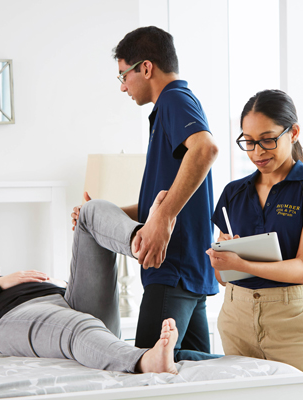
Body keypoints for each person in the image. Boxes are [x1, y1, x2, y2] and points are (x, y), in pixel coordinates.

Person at [74, 26, 219, 361]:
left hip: (172, 265)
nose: (123, 86)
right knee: (189, 373)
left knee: (143, 371)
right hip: (189, 271)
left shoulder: (173, 100)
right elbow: (158, 202)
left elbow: (206, 149)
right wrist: (101, 214)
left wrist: (164, 218)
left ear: (146, 67)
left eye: (123, 75)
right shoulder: (172, 107)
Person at [0, 195, 179, 374]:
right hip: (14, 318)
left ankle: (141, 239)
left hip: (68, 299)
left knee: (89, 211)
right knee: (76, 325)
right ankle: (144, 361)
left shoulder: (21, 281)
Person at [205, 89, 303, 372]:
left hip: (290, 319)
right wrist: (221, 260)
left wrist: (241, 262)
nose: (257, 152)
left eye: (267, 140)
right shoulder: (234, 192)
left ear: (293, 133)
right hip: (236, 315)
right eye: (249, 141)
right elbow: (222, 277)